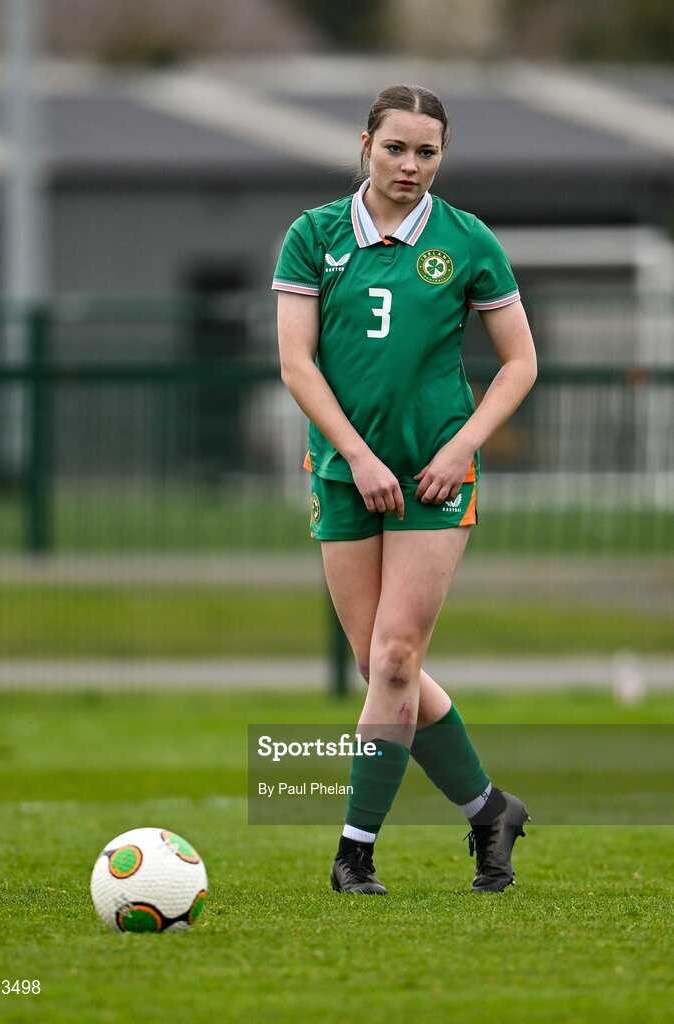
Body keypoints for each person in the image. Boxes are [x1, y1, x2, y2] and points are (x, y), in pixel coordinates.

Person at [273, 84, 537, 894]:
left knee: (394, 658)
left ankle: (354, 853)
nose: (410, 165)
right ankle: (489, 807)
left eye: (426, 152)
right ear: (365, 144)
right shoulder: (313, 236)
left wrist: (459, 447)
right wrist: (354, 453)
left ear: (440, 157)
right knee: (377, 666)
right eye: (396, 148)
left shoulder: (466, 241)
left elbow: (519, 363)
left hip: (433, 478)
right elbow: (296, 363)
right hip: (345, 474)